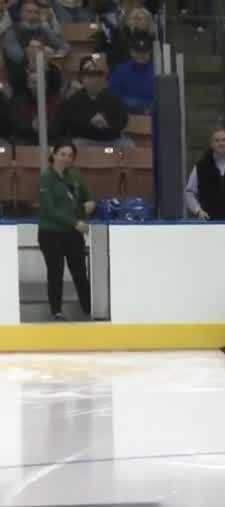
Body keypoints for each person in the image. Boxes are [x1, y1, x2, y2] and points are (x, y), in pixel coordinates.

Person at [38, 139, 94, 321]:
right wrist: (74, 223)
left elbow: (88, 197)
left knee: (79, 271)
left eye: (70, 155)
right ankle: (56, 311)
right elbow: (49, 209)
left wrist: (90, 204)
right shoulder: (46, 177)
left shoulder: (75, 177)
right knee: (55, 272)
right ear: (53, 154)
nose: (66, 158)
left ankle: (88, 308)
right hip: (51, 233)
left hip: (72, 233)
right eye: (62, 154)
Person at [58, 55, 131, 148]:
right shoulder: (73, 100)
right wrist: (90, 123)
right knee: (73, 146)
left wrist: (107, 124)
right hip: (85, 142)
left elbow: (122, 121)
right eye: (89, 75)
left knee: (128, 146)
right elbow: (68, 125)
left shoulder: (113, 99)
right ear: (82, 78)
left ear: (103, 79)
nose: (94, 79)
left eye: (97, 75)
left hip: (110, 145)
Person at [4, 0, 68, 66]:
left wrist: (56, 52)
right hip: (22, 70)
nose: (33, 15)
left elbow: (63, 46)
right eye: (29, 12)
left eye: (36, 12)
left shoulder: (43, 28)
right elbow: (18, 57)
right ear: (22, 14)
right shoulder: (12, 32)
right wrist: (36, 52)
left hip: (46, 68)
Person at [108, 33, 154, 114]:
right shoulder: (120, 70)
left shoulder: (157, 71)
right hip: (124, 118)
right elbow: (113, 98)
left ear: (150, 52)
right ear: (131, 52)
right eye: (137, 52)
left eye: (144, 52)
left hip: (150, 119)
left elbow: (158, 103)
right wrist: (141, 107)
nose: (141, 55)